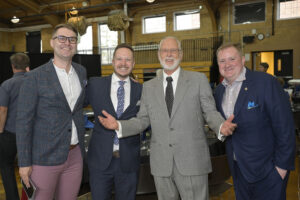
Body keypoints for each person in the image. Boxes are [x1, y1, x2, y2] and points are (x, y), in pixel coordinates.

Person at [98, 36, 236, 200]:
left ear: (181, 54)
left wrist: (220, 126)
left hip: (192, 161)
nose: (169, 54)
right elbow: (142, 120)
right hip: (161, 163)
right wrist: (119, 126)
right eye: (165, 50)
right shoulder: (149, 87)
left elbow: (209, 111)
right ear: (159, 54)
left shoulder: (198, 80)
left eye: (173, 50)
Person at [214, 42, 295, 200]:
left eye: (232, 59)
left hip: (269, 172)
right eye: (222, 61)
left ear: (243, 60)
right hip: (238, 171)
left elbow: (285, 127)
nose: (227, 65)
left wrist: (281, 168)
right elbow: (223, 127)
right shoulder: (219, 91)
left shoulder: (265, 83)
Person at [16, 23, 87, 200]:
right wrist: (24, 163)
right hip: (44, 158)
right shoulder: (34, 77)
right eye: (61, 38)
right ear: (52, 42)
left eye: (72, 39)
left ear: (76, 44)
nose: (67, 43)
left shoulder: (81, 71)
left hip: (74, 156)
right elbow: (24, 122)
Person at [85, 43, 142, 200]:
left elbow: (145, 121)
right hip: (100, 161)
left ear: (134, 63)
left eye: (128, 60)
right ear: (112, 61)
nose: (123, 63)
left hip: (128, 162)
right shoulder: (95, 84)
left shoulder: (142, 90)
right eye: (119, 59)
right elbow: (73, 106)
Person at [0, 53, 30, 200]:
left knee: (6, 166)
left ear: (12, 66)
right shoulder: (35, 82)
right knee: (33, 168)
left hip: (10, 134)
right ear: (27, 66)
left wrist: (0, 130)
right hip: (32, 134)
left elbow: (3, 110)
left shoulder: (6, 85)